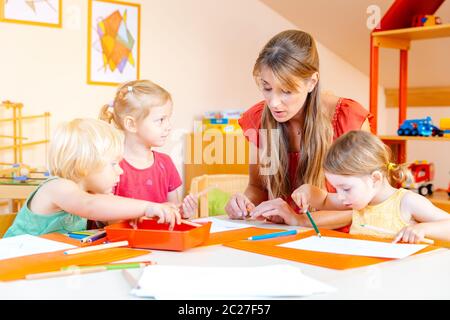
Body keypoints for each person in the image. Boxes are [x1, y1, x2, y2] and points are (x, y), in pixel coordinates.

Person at [225, 29, 372, 229]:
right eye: (267, 88)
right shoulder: (258, 119)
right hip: (281, 236)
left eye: (286, 91)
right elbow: (257, 188)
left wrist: (300, 221)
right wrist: (243, 203)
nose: (274, 103)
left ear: (312, 82)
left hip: (339, 240)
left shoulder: (348, 120)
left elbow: (367, 205)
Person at [4, 119, 180, 237]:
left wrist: (136, 216)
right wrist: (146, 207)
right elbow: (89, 205)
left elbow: (110, 215)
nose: (120, 171)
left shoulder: (89, 194)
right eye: (113, 164)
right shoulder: (57, 188)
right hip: (11, 268)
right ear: (85, 164)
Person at [290, 130, 450, 243]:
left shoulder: (406, 202)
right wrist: (308, 191)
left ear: (374, 178)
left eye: (345, 188)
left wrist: (423, 229)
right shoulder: (358, 202)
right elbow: (324, 200)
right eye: (336, 188)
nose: (340, 196)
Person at [100, 80, 197, 218]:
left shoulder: (166, 164)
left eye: (168, 119)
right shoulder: (112, 166)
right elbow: (107, 217)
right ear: (131, 124)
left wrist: (183, 213)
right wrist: (148, 214)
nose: (168, 126)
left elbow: (172, 211)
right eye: (161, 120)